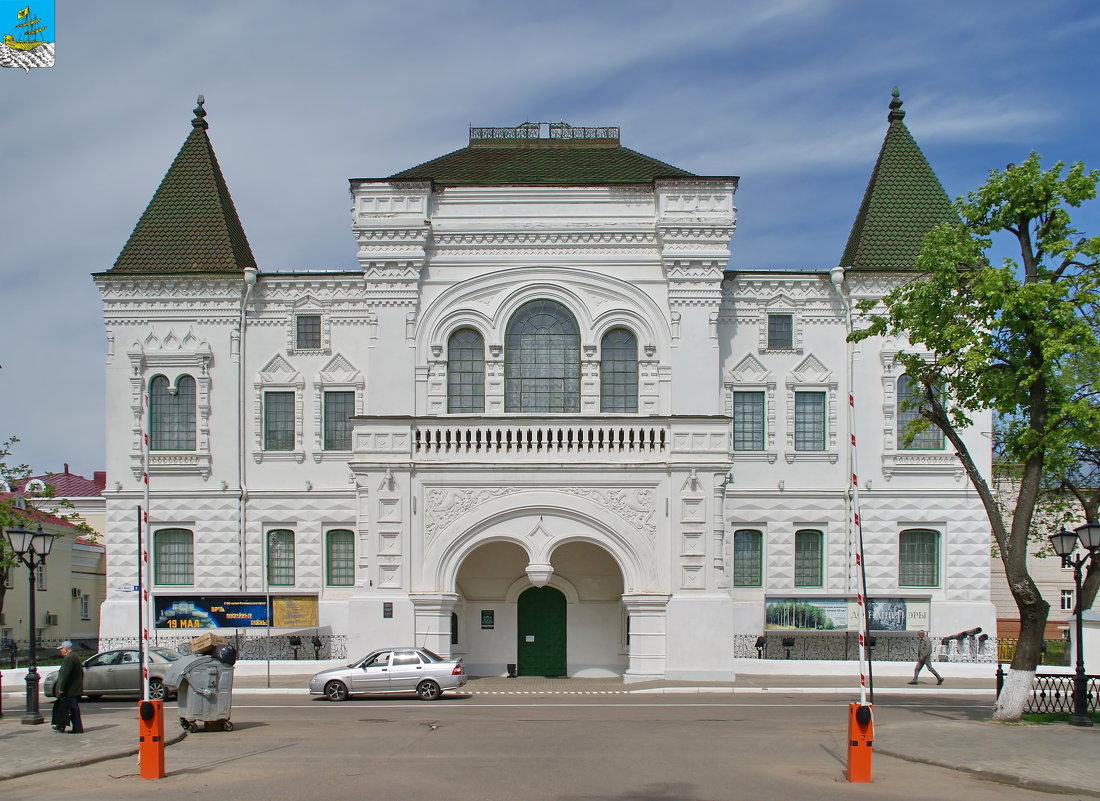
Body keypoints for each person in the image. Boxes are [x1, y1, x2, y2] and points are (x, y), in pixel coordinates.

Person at [53, 641, 84, 733]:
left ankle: (77, 728)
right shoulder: (75, 657)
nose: (60, 651)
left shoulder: (69, 658)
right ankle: (60, 725)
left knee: (72, 708)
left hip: (70, 689)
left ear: (66, 649)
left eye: (61, 649)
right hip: (74, 688)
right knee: (65, 707)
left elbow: (65, 675)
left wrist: (61, 688)